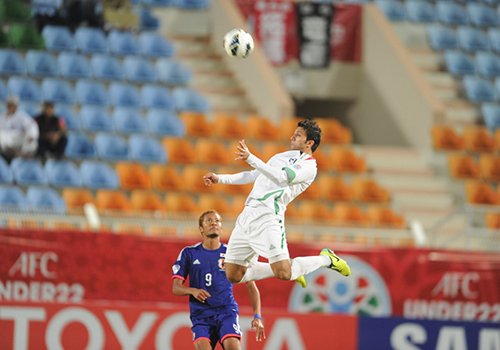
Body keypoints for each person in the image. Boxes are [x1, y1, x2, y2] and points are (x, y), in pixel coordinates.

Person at [203, 119, 350, 289]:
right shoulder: (280, 156)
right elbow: (252, 175)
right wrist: (220, 178)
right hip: (247, 215)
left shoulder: (309, 166)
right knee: (233, 274)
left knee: (284, 273)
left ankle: (327, 259)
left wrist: (251, 157)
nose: (292, 137)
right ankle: (295, 268)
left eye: (298, 135)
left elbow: (281, 177)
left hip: (269, 216)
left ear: (310, 143)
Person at [172, 210, 265, 350]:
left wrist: (257, 316)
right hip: (201, 315)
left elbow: (251, 286)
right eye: (208, 221)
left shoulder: (232, 254)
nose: (213, 223)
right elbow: (176, 287)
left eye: (217, 221)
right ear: (201, 229)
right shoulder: (189, 253)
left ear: (221, 227)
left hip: (226, 312)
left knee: (233, 346)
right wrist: (192, 291)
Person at [0, 95, 39, 163]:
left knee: (33, 143)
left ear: (16, 106)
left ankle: (23, 156)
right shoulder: (2, 116)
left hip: (19, 139)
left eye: (12, 105)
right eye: (9, 105)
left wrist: (31, 135)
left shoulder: (22, 116)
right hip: (7, 140)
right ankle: (13, 154)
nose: (10, 107)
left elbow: (31, 126)